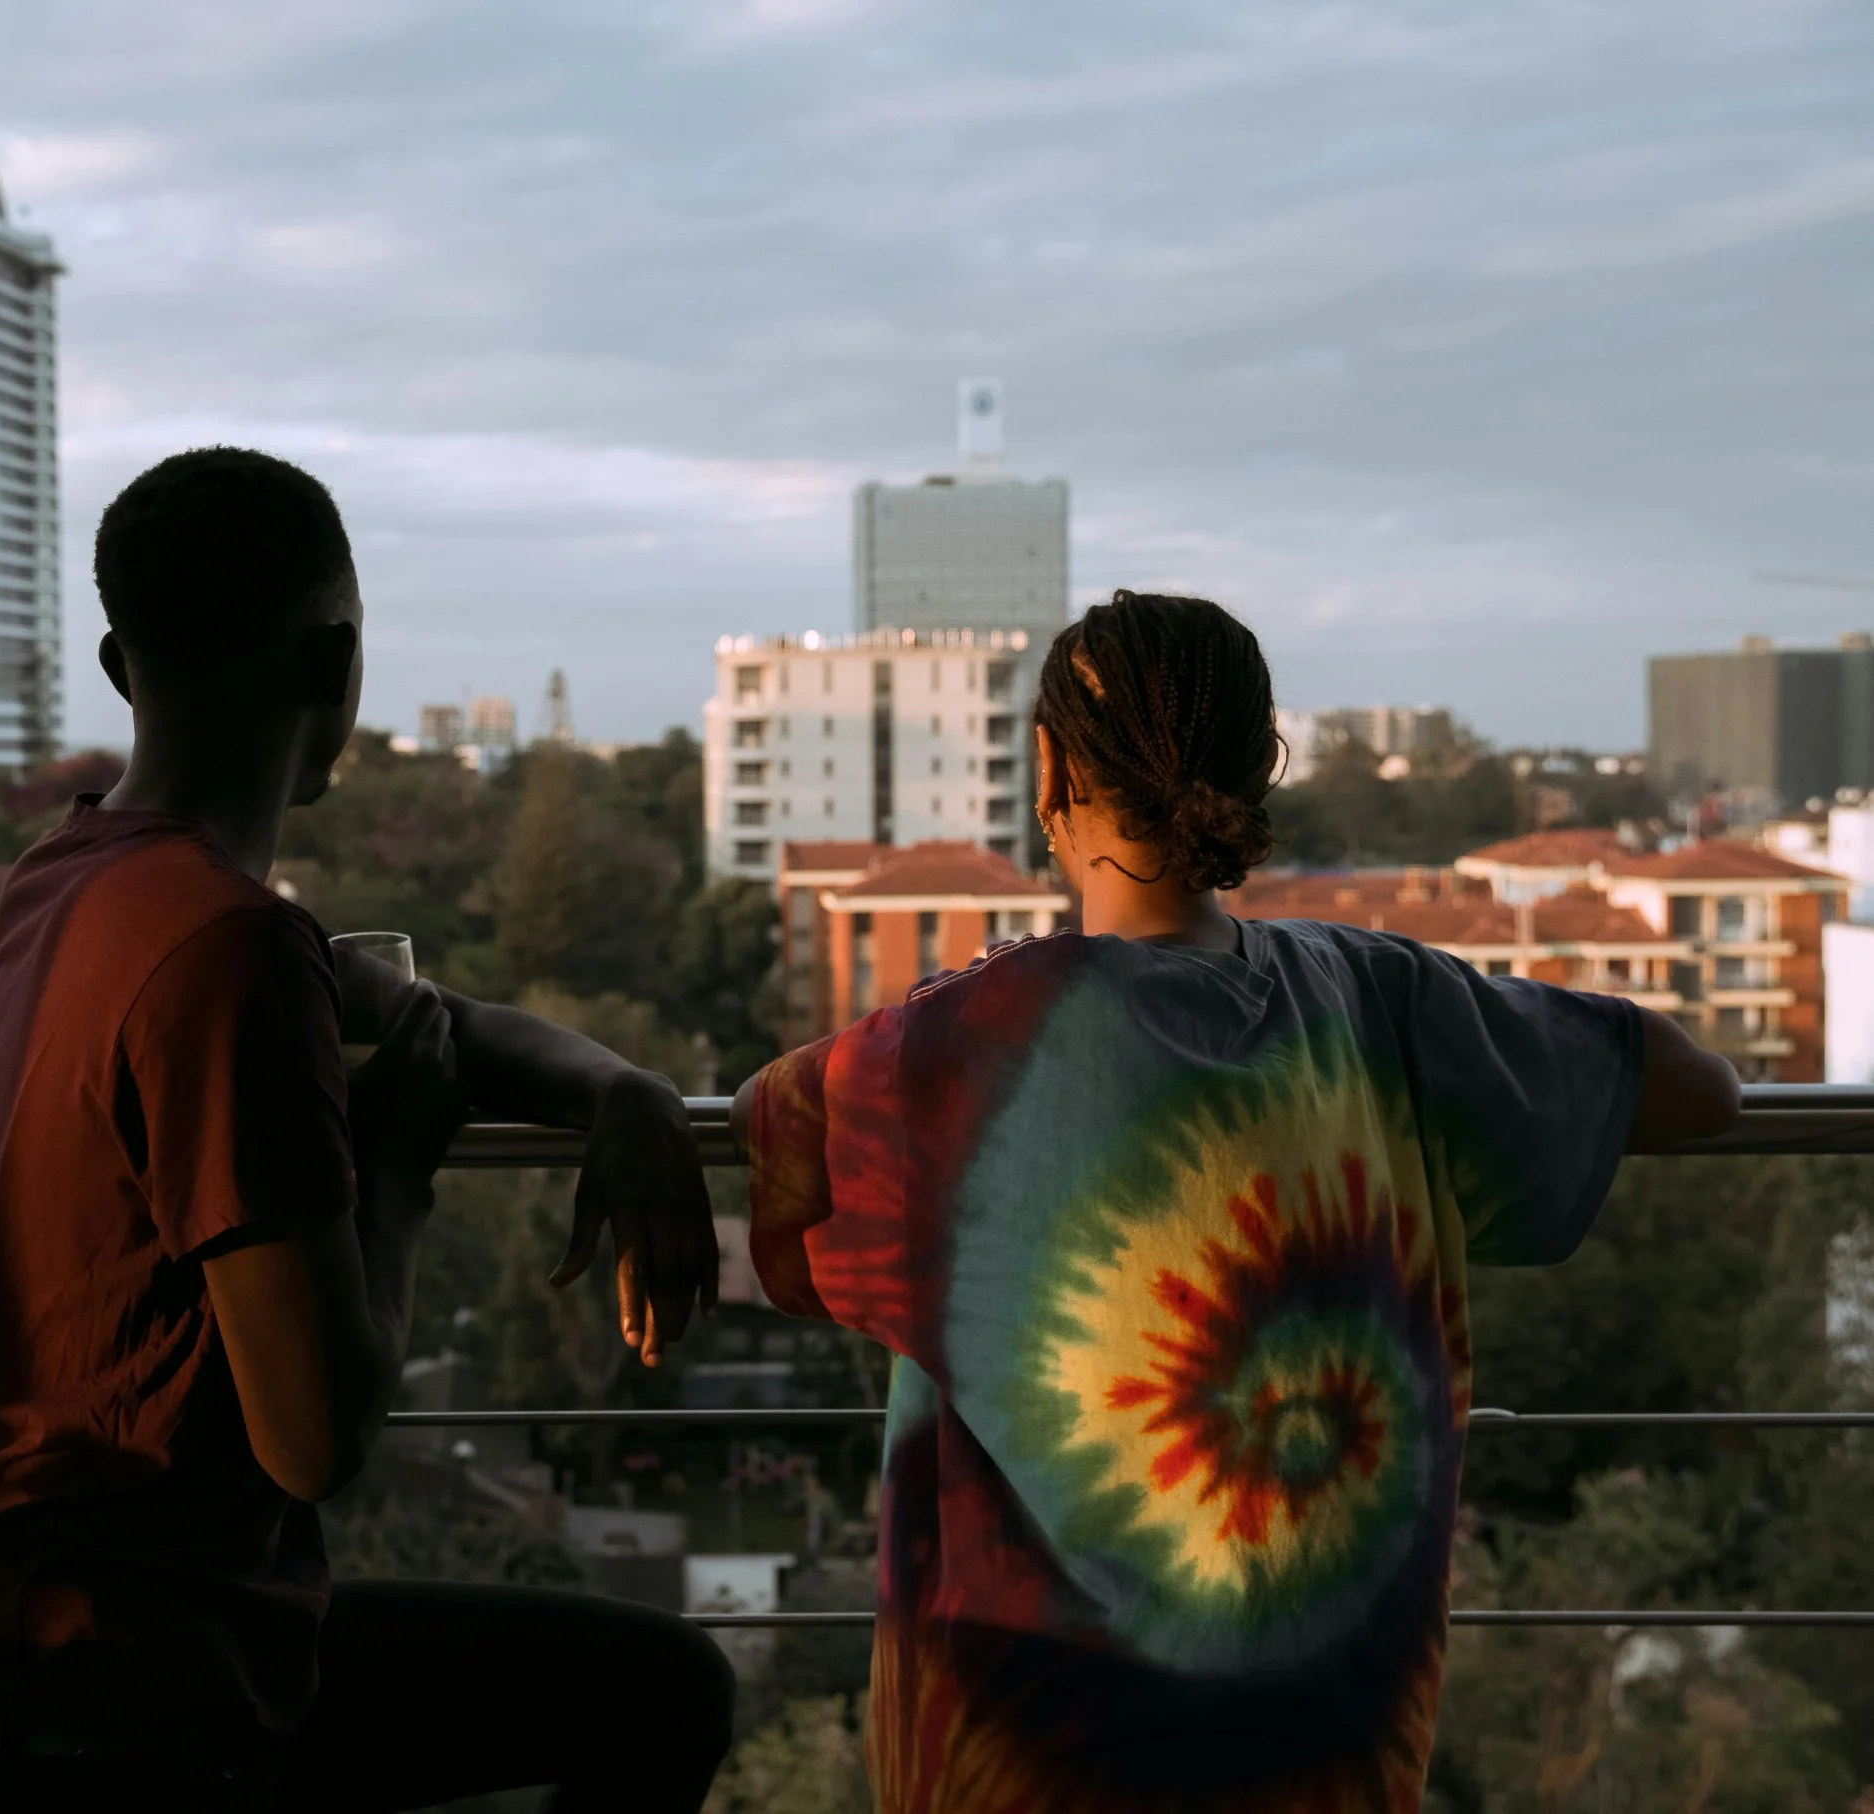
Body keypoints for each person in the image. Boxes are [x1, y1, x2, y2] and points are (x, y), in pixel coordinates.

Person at [731, 591, 1742, 1814]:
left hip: (1033, 1737)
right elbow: (1699, 1089)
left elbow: (775, 1148)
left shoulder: (958, 1041)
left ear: (1049, 769)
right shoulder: (1377, 995)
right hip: (1326, 1732)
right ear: (1255, 768)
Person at [0, 447, 733, 1813]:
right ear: (336, 667)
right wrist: (398, 1163)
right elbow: (314, 1439)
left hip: (9, 1638)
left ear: (117, 663)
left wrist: (624, 1087)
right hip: (93, 1694)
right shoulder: (222, 945)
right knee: (660, 1694)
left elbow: (438, 1017)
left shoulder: (75, 875)